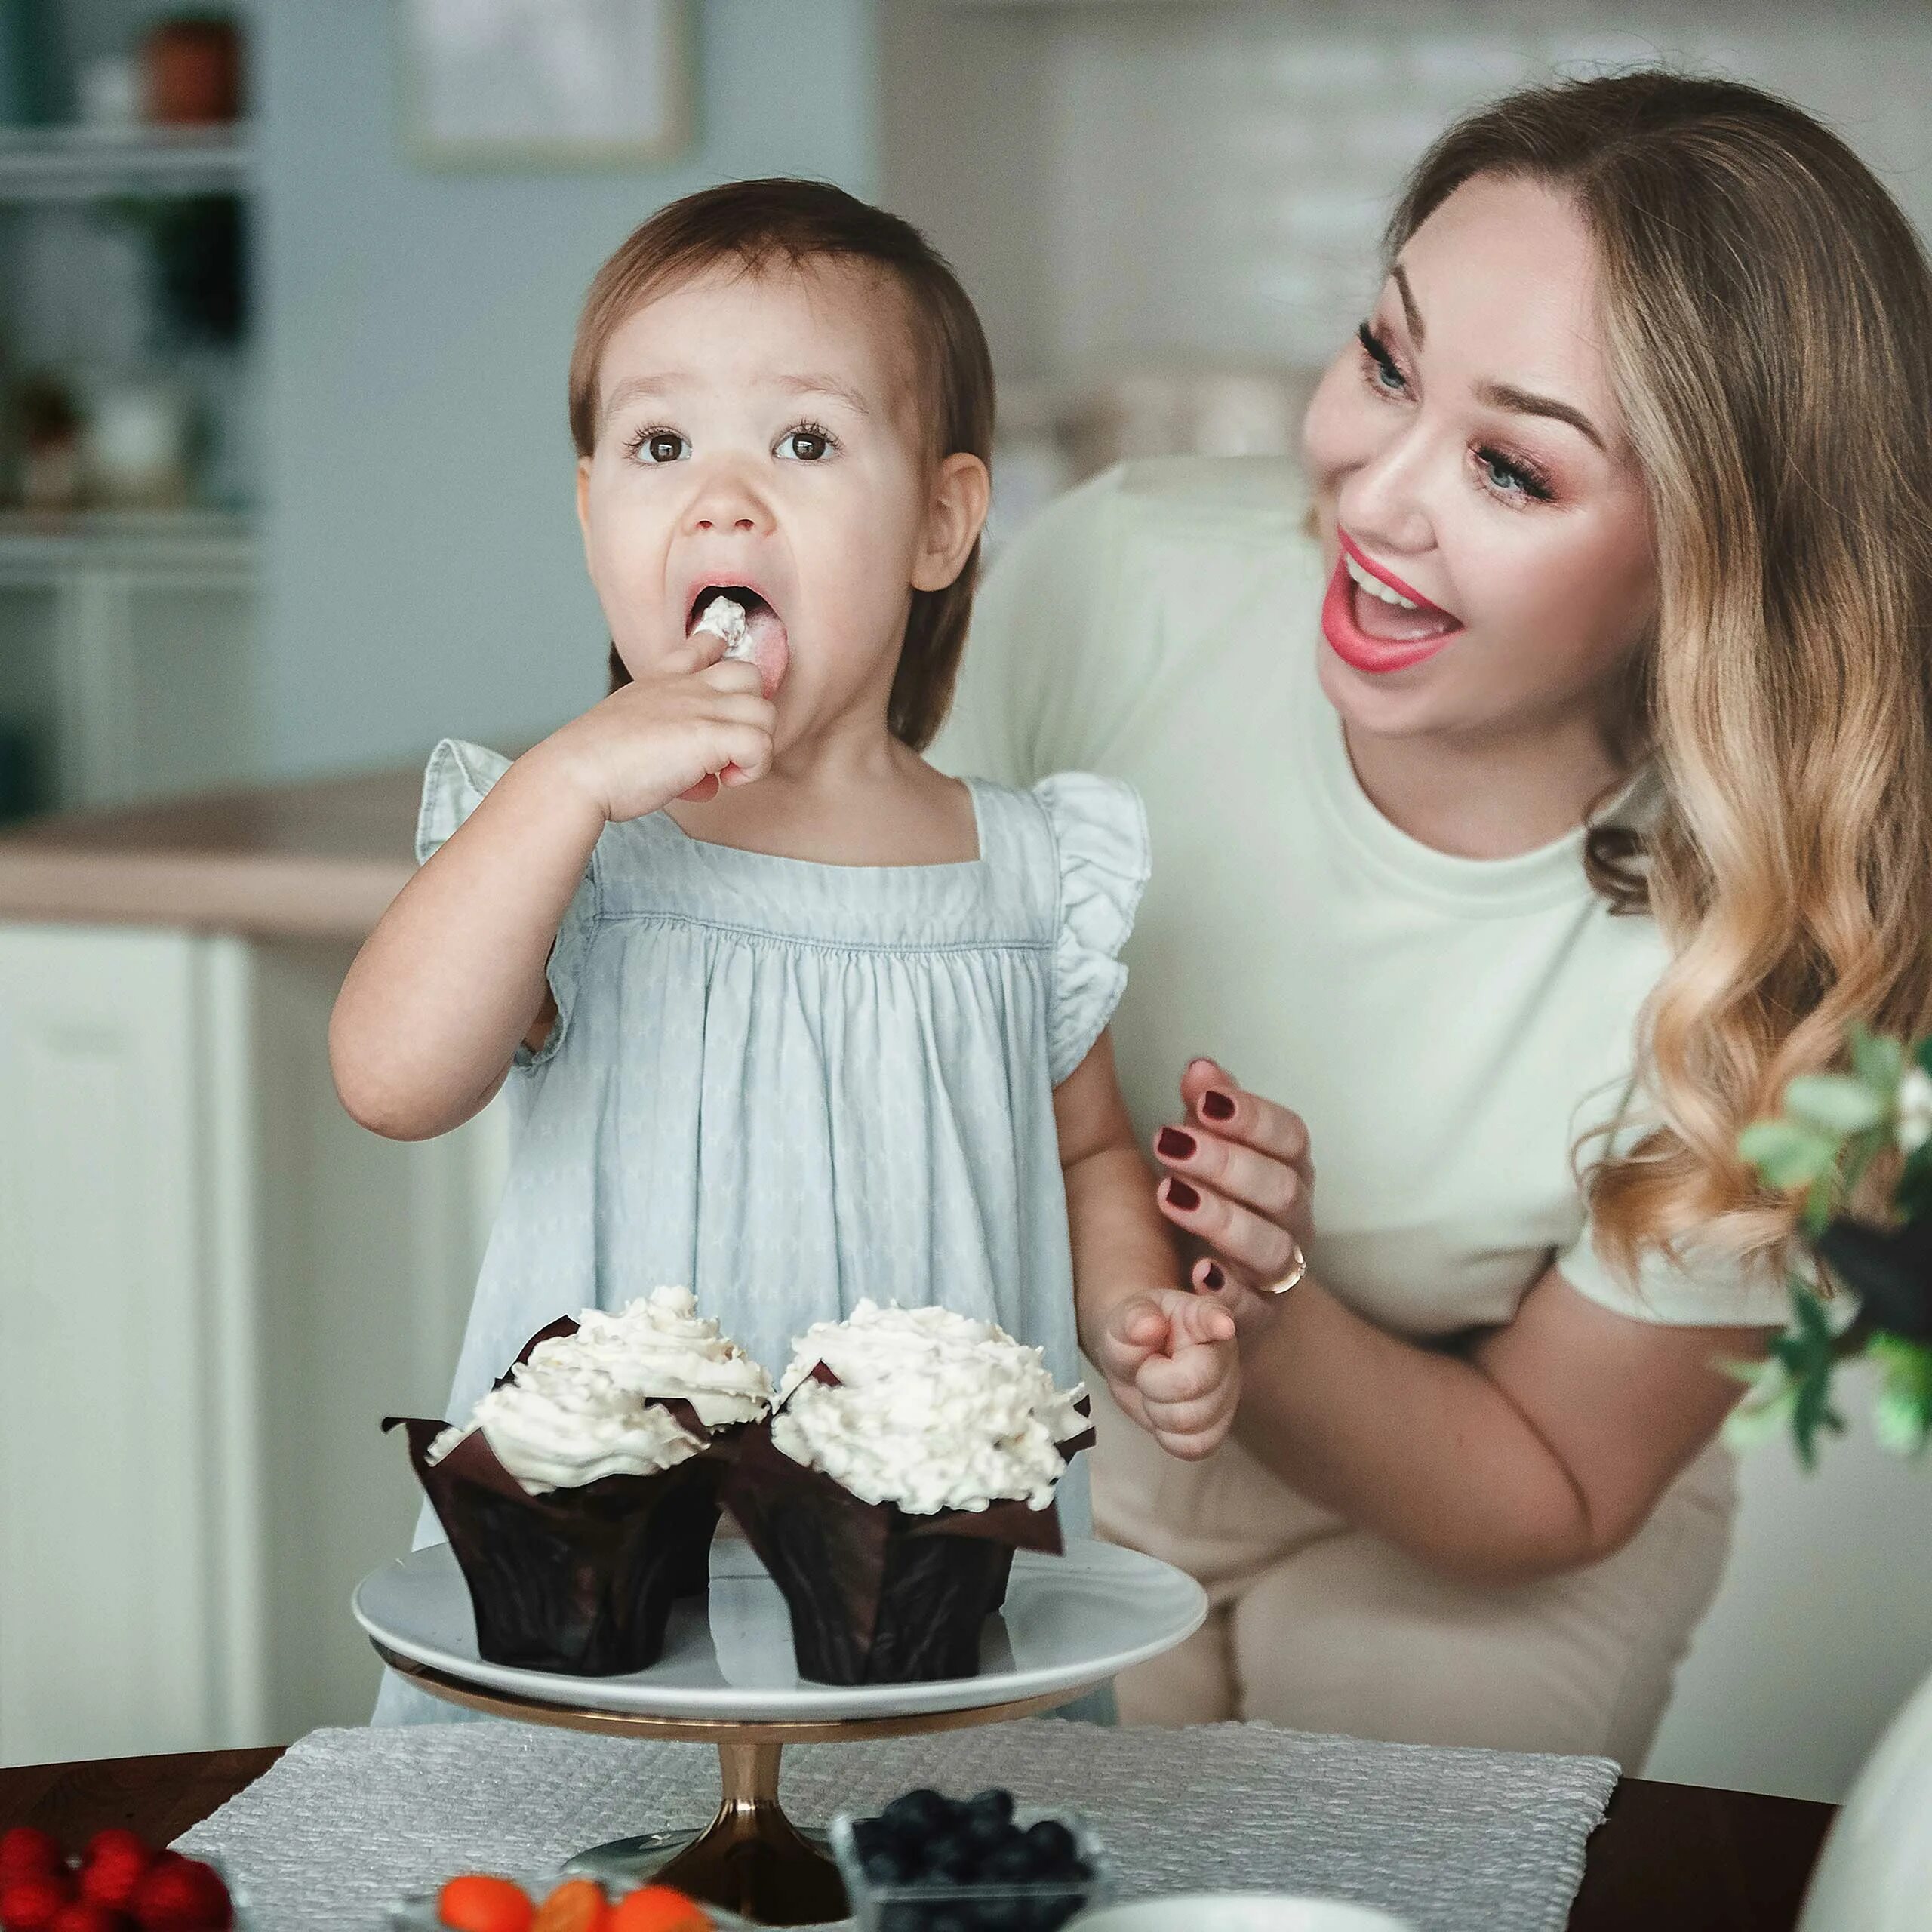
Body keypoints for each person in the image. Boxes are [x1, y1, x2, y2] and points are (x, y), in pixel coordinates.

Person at [936, 72, 1932, 1767]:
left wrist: (1262, 1300)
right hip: (1055, 1431)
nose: (1372, 491)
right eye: (1385, 361)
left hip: (1465, 1497)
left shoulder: (1785, 934)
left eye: (1508, 465)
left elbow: (1541, 1478)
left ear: (1718, 558)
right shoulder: (1112, 582)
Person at [330, 181, 1241, 1721]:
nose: (722, 500)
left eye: (803, 443)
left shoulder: (1024, 871)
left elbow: (1086, 1157)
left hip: (926, 1613)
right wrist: (562, 780)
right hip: (593, 1604)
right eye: (658, 445)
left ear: (943, 523)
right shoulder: (570, 849)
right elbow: (392, 1079)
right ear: (588, 513)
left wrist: (1139, 1319)